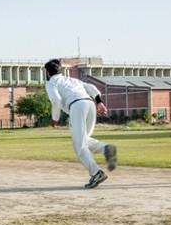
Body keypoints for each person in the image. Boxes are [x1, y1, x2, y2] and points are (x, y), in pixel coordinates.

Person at [44, 59, 117, 189]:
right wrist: (99, 102)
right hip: (89, 104)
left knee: (80, 146)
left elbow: (56, 99)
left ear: (48, 72)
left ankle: (96, 173)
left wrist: (55, 118)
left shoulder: (51, 82)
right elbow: (92, 88)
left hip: (77, 106)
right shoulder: (72, 80)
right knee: (84, 140)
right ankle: (106, 148)